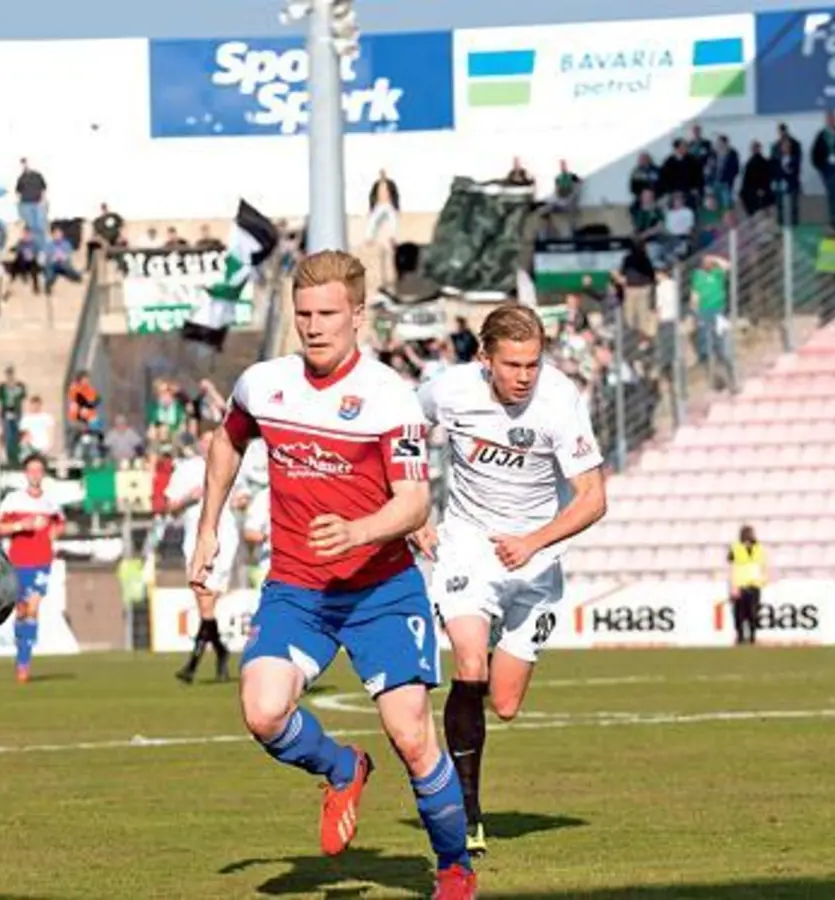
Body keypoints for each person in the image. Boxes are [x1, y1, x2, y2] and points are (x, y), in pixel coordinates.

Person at [187, 250, 476, 899]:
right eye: (304, 314)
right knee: (262, 711)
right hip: (298, 589)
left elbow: (414, 500)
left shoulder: (388, 397)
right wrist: (209, 527)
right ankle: (342, 766)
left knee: (410, 734)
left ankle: (454, 867)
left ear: (358, 315)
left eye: (329, 314)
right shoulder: (263, 383)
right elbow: (228, 440)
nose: (315, 327)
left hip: (381, 589)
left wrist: (359, 530)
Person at [412, 303, 607, 855]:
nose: (524, 377)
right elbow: (395, 435)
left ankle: (495, 634)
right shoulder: (448, 390)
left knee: (505, 704)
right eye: (513, 365)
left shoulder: (560, 399)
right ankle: (464, 813)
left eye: (533, 364)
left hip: (535, 558)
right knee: (469, 664)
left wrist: (533, 542)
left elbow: (594, 499)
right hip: (469, 545)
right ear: (484, 359)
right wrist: (416, 513)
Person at [167, 428, 239, 684]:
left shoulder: (231, 463)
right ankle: (220, 652)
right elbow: (171, 508)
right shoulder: (185, 470)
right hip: (194, 540)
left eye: (215, 440)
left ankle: (193, 665)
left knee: (206, 601)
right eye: (206, 441)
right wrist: (189, 497)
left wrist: (240, 500)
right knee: (204, 602)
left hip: (224, 539)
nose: (210, 446)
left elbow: (241, 497)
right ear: (199, 444)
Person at [0, 454, 64, 683]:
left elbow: (60, 522)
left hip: (42, 562)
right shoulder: (13, 500)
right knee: (21, 611)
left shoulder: (51, 503)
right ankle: (21, 648)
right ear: (26, 474)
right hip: (17, 562)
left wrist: (55, 532)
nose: (35, 474)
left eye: (39, 470)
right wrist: (21, 525)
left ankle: (24, 664)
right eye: (31, 470)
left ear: (43, 474)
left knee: (33, 608)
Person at [727, 525, 768, 645]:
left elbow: (763, 566)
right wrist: (733, 586)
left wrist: (764, 579)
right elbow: (732, 567)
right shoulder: (735, 548)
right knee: (739, 614)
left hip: (754, 585)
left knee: (753, 614)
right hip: (740, 586)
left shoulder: (759, 548)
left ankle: (752, 638)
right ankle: (740, 637)